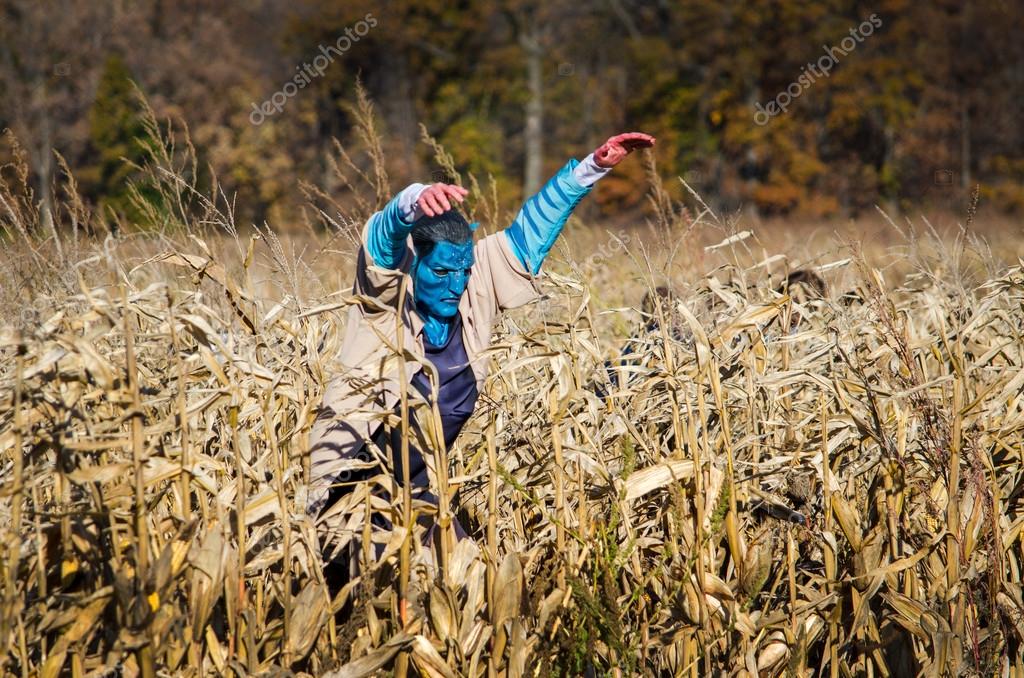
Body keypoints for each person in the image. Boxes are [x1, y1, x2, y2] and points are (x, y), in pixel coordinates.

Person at [307, 132, 655, 557]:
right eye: (440, 273)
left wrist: (593, 167)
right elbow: (381, 242)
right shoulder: (385, 299)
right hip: (347, 490)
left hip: (417, 494)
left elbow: (530, 233)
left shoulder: (471, 282)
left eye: (463, 271)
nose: (455, 285)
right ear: (414, 263)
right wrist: (411, 202)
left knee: (471, 576)